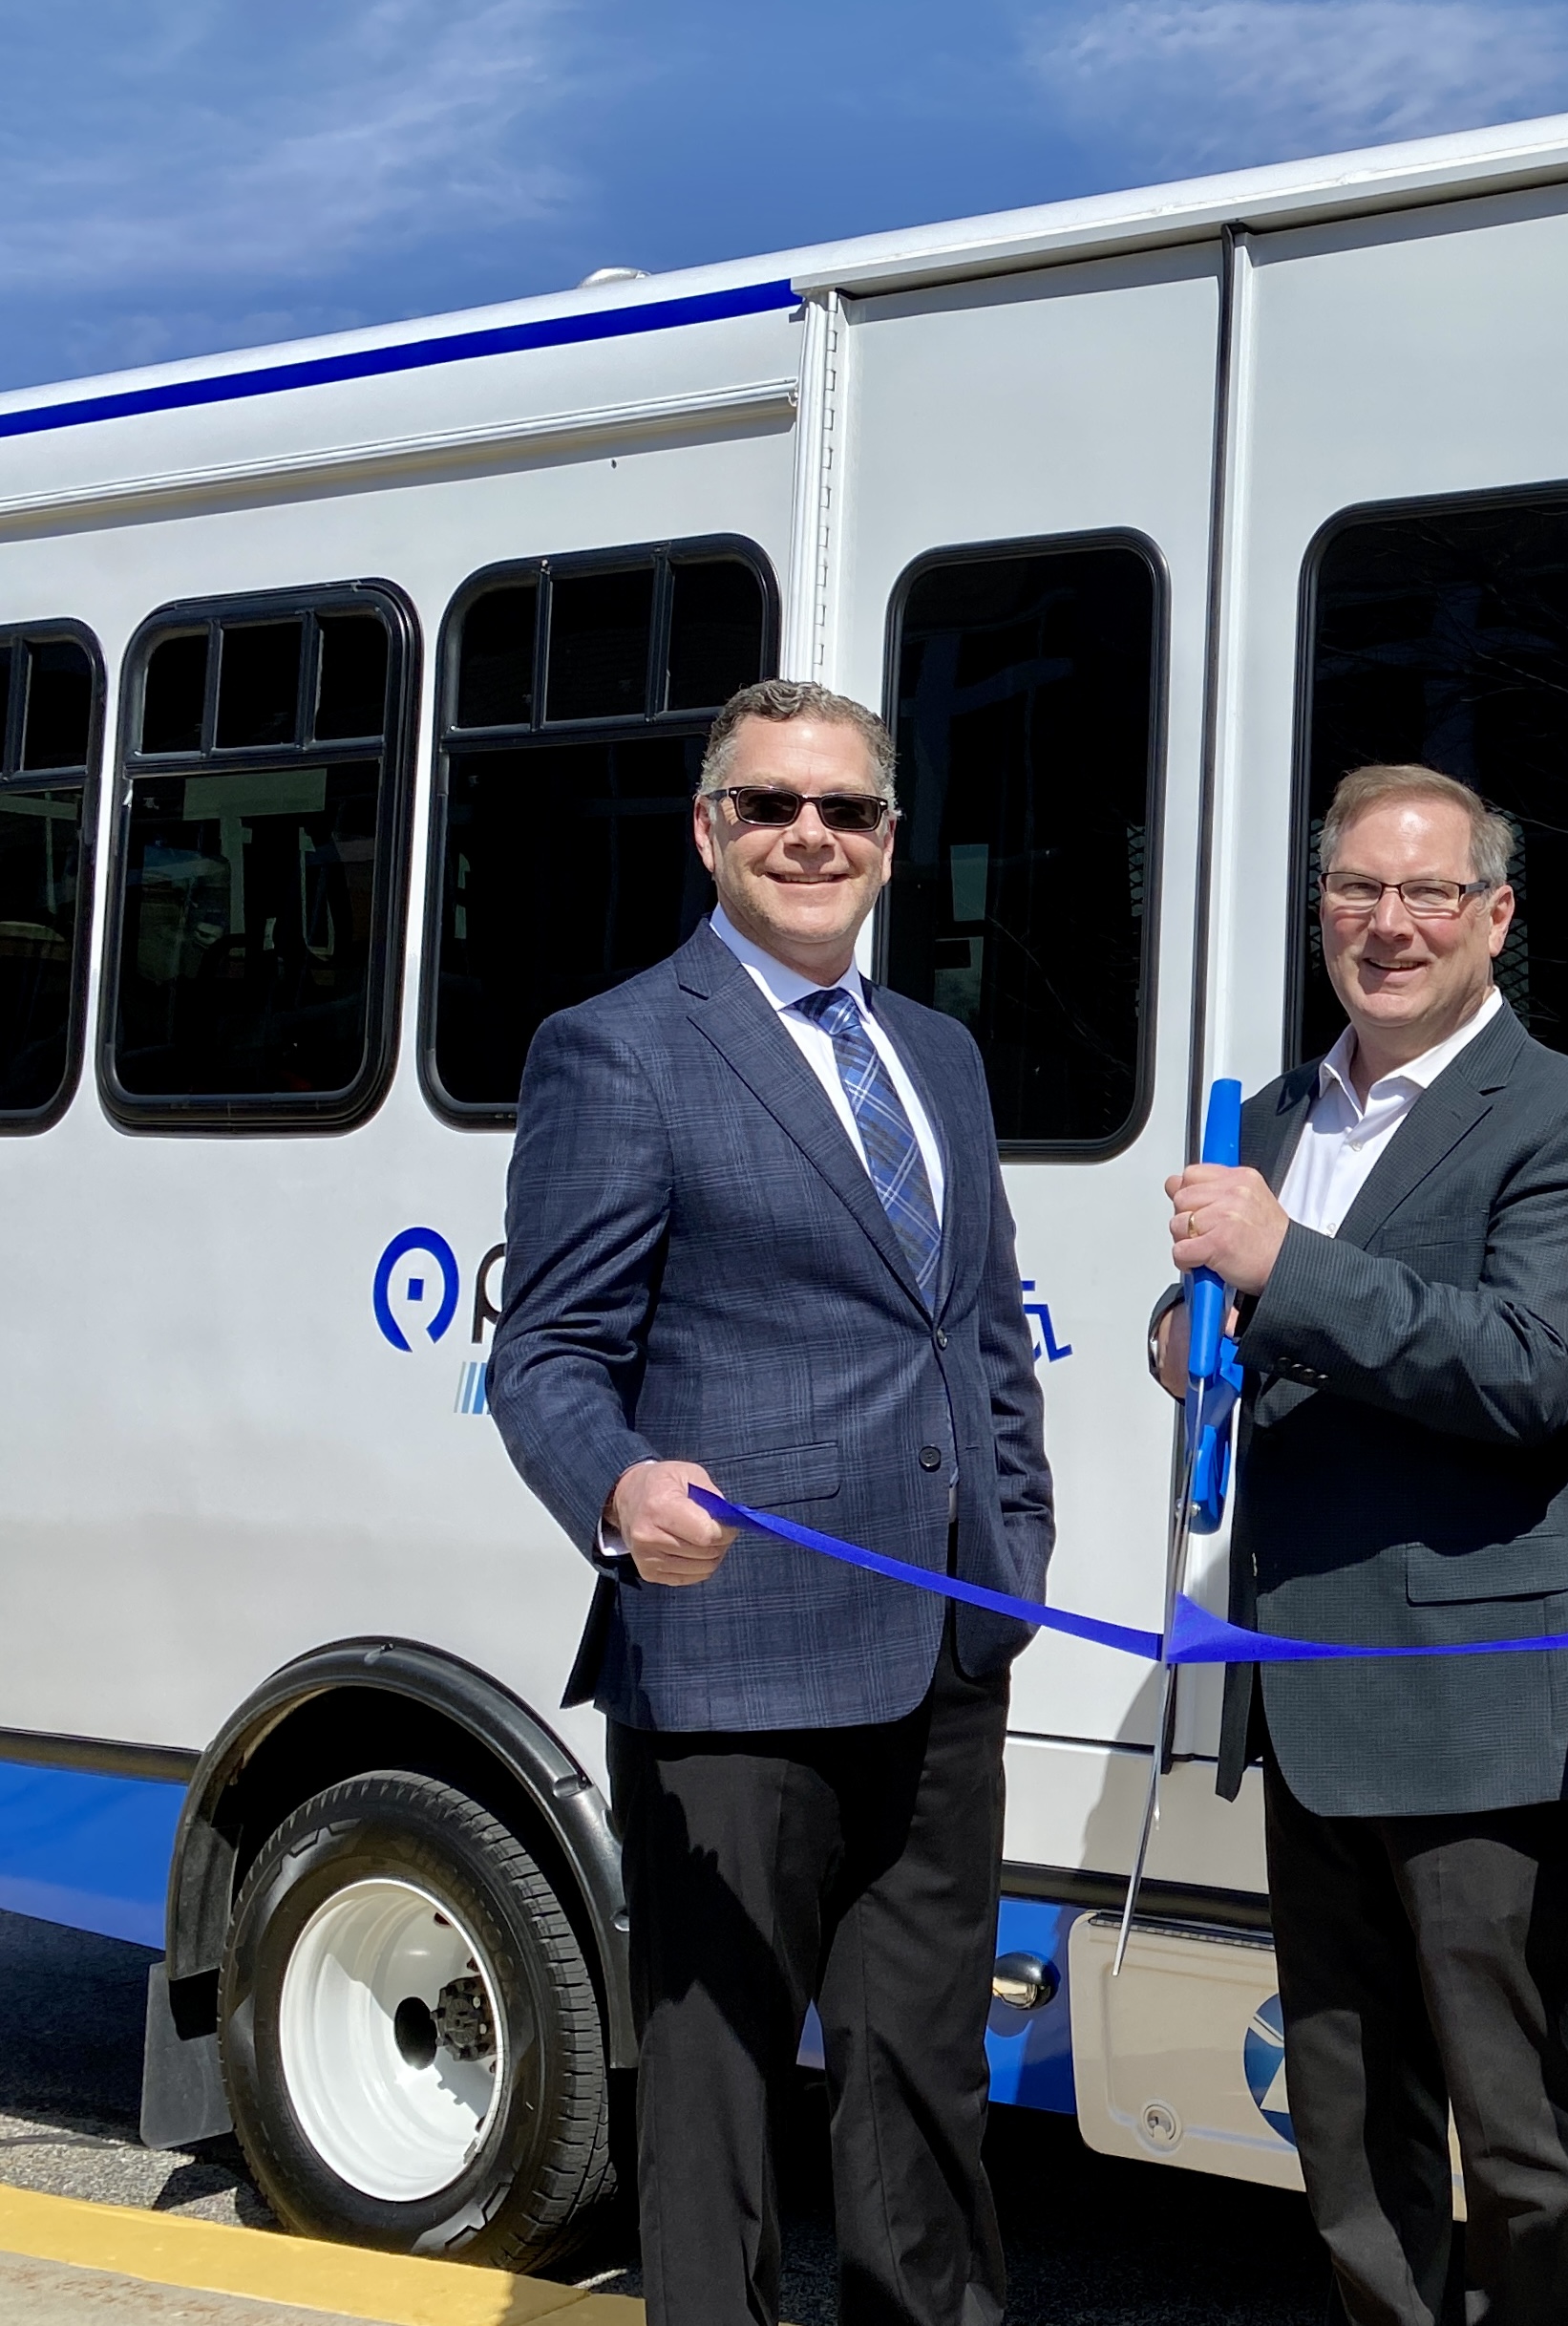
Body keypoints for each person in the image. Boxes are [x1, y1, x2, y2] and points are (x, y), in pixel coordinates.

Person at [491, 679, 1050, 2326]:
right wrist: (613, 1480)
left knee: (927, 2091)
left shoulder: (937, 1056)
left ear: (891, 839)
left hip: (944, 1654)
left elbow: (983, 1333)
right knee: (717, 2101)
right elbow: (551, 1351)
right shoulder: (618, 1048)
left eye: (848, 809)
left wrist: (1015, 1547)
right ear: (708, 830)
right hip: (733, 1653)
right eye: (772, 806)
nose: (812, 834)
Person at [1152, 763, 1568, 2326]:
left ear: (1496, 917)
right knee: (1350, 2127)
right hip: (1303, 1694)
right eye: (1356, 892)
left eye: (1428, 892)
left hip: (1476, 1707)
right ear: (1320, 914)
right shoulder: (1281, 1110)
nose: (1389, 924)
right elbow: (1255, 1308)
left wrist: (1278, 1264)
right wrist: (1185, 1331)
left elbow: (1528, 1375)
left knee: (1521, 2138)